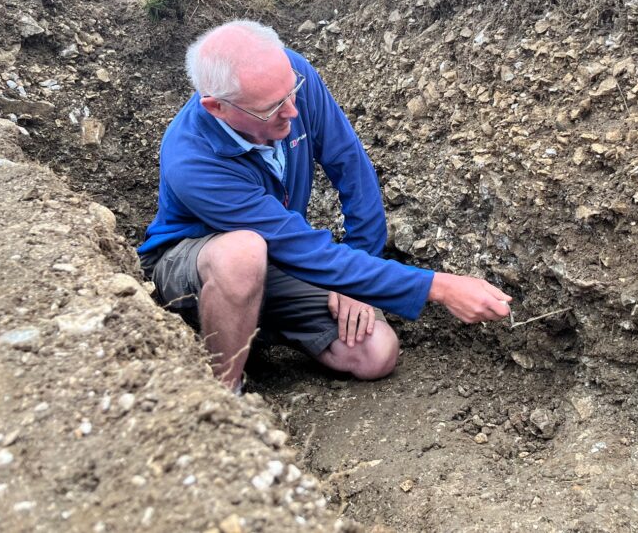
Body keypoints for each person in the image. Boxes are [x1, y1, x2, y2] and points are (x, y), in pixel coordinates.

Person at [138, 20, 511, 393]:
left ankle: (255, 329)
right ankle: (223, 398)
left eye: (292, 93)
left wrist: (357, 273)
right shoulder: (192, 159)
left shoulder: (290, 75)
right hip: (195, 266)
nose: (293, 112)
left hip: (275, 260)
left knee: (376, 352)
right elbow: (300, 248)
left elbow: (349, 164)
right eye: (272, 108)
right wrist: (440, 287)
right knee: (241, 254)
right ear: (216, 106)